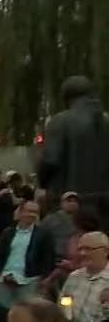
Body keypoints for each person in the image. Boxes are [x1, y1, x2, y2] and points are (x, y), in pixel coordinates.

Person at [38, 74, 109, 226]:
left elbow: (50, 160)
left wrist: (42, 182)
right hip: (103, 205)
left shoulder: (60, 121)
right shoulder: (106, 121)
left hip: (69, 204)